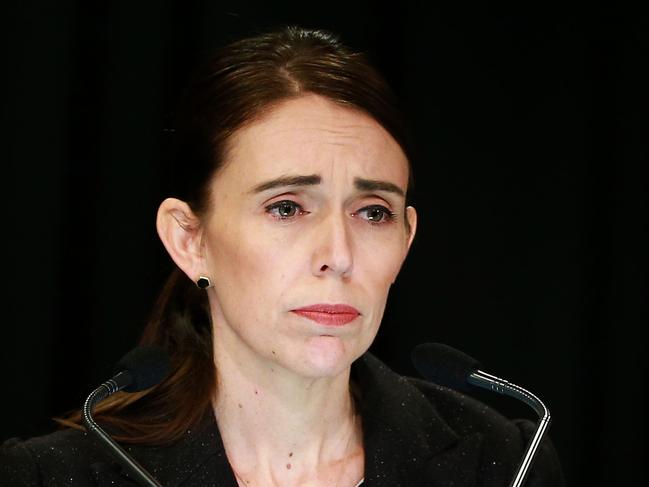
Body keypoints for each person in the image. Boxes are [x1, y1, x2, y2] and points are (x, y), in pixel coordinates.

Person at [0, 26, 564, 486]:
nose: (338, 256)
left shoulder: (505, 460)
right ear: (189, 239)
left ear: (407, 238)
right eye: (288, 207)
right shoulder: (55, 475)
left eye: (373, 213)